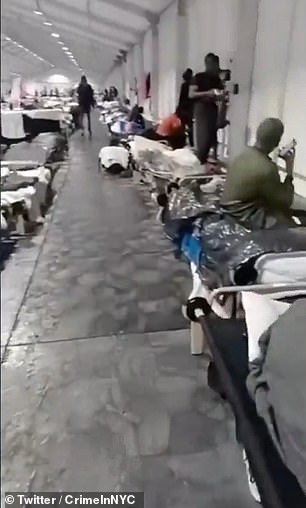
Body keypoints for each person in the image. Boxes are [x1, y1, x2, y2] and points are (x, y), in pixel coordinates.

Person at [221, 118, 297, 229]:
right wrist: (289, 171)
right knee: (291, 227)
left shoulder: (242, 155)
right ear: (276, 142)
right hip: (242, 215)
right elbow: (285, 201)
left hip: (228, 211)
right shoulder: (267, 168)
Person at [189, 53, 225, 164]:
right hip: (202, 109)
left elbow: (222, 97)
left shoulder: (217, 80)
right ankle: (199, 162)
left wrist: (222, 115)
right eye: (212, 64)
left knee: (212, 137)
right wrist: (208, 93)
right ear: (207, 64)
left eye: (216, 64)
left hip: (213, 108)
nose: (215, 67)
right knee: (203, 140)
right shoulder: (199, 77)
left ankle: (211, 160)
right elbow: (191, 94)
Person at [178, 68, 194, 146]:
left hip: (183, 109)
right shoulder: (191, 86)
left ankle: (181, 142)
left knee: (182, 127)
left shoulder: (184, 85)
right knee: (190, 127)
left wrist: (178, 109)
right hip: (189, 109)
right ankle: (192, 143)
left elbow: (181, 98)